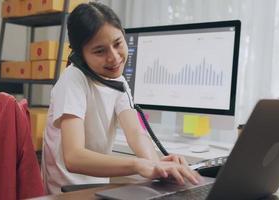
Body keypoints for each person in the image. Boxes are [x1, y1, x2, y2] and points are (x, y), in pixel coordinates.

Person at [42, 2, 201, 194]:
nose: (114, 57)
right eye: (100, 51)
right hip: (68, 192)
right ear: (80, 55)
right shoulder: (73, 81)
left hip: (96, 187)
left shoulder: (118, 82)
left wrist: (157, 167)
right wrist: (137, 165)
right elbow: (73, 157)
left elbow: (135, 133)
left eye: (118, 43)